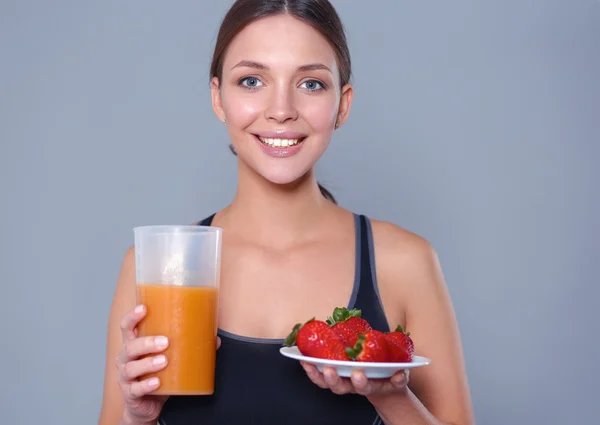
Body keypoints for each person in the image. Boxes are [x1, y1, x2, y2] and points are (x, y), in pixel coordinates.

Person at [98, 0, 475, 424]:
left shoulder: (403, 262)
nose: (281, 109)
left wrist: (389, 396)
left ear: (343, 105)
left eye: (311, 84)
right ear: (217, 97)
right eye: (252, 80)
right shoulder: (154, 268)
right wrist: (137, 416)